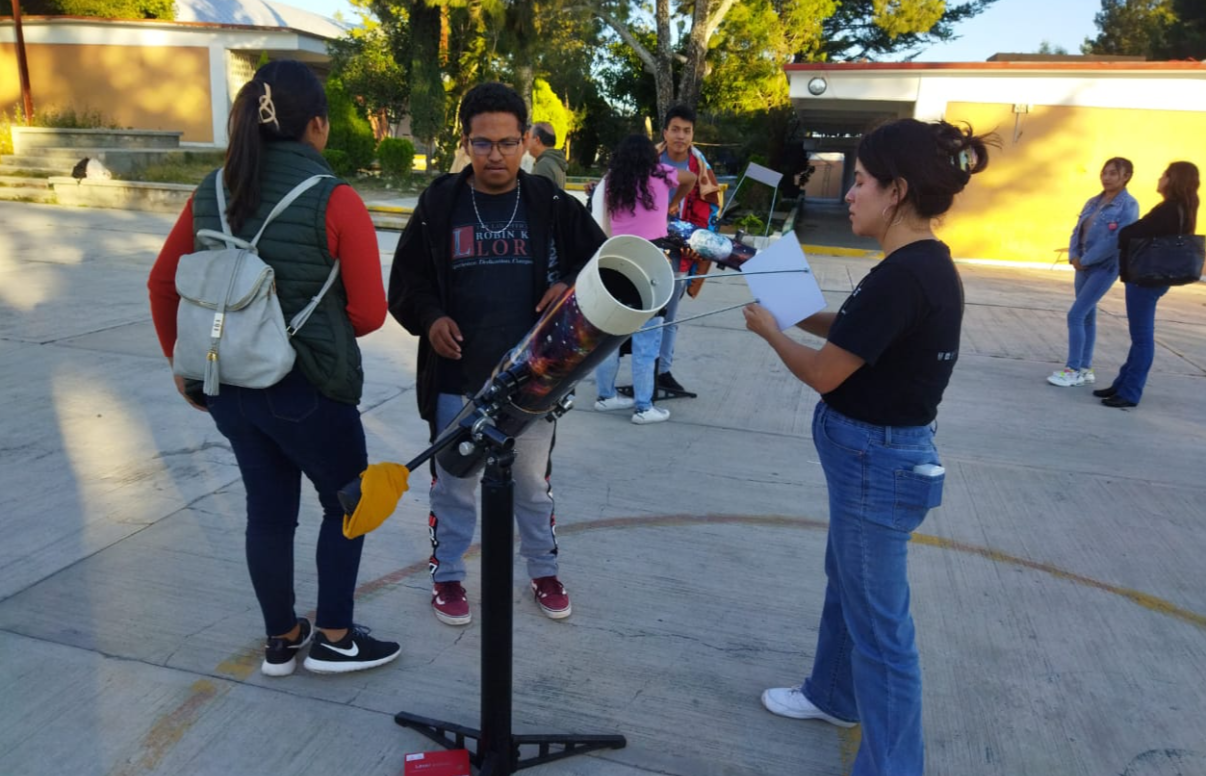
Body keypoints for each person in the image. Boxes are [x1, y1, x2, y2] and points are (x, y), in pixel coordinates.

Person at [744, 118, 994, 776]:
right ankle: (832, 694)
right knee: (846, 584)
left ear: (898, 191)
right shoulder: (915, 267)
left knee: (884, 636)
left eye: (859, 182)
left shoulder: (904, 276)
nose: (849, 193)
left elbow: (826, 371)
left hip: (876, 465)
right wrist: (793, 307)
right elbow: (856, 331)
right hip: (874, 461)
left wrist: (772, 331)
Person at [147, 60, 401, 677]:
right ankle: (337, 637)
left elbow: (162, 283)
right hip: (307, 386)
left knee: (267, 510)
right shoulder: (333, 198)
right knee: (347, 502)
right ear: (317, 125)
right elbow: (369, 313)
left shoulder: (211, 189)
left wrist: (184, 369)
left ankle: (283, 639)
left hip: (227, 384)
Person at [388, 82, 606, 626]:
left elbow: (605, 263)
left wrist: (571, 286)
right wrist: (430, 319)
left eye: (508, 143)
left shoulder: (550, 203)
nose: (497, 156)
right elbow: (406, 282)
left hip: (532, 381)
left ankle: (544, 571)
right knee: (454, 486)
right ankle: (448, 579)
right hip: (455, 377)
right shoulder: (439, 202)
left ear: (526, 141)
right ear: (465, 142)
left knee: (532, 486)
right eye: (483, 144)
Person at [590, 133, 692, 425]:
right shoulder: (662, 173)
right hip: (652, 260)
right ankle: (644, 406)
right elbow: (692, 179)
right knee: (648, 337)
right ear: (651, 156)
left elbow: (603, 224)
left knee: (610, 334)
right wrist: (673, 203)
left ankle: (606, 396)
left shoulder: (611, 181)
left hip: (617, 258)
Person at [1096, 161, 1200, 408]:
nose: (1159, 178)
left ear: (1173, 179)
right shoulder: (1184, 208)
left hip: (1146, 279)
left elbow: (1129, 233)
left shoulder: (1168, 209)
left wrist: (1123, 231)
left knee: (1142, 338)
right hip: (1157, 278)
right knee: (1140, 337)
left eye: (1164, 175)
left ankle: (1130, 392)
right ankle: (1122, 383)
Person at [1047, 158, 1139, 387]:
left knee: (1075, 315)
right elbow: (1077, 229)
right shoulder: (1093, 201)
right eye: (1104, 172)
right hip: (1083, 265)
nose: (1106, 177)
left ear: (1125, 176)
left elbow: (1116, 240)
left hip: (1104, 267)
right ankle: (1085, 368)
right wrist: (1074, 256)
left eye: (1113, 173)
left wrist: (1086, 259)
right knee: (1087, 315)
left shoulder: (1128, 205)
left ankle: (1073, 369)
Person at [655, 104, 717, 396]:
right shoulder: (648, 160)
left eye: (687, 130)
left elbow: (710, 209)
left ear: (693, 134)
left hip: (682, 252)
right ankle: (647, 371)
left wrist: (698, 242)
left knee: (670, 316)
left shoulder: (700, 168)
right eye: (675, 129)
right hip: (648, 247)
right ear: (665, 132)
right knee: (645, 315)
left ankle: (662, 371)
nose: (681, 136)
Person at [527, 121, 568, 189]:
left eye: (529, 138)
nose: (526, 142)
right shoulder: (555, 161)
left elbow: (537, 197)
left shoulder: (544, 165)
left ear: (537, 140)